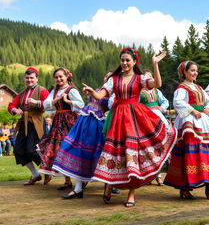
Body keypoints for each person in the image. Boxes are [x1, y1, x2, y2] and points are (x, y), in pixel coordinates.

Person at [83, 47, 177, 207]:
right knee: (115, 153)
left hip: (135, 118)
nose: (125, 63)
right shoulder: (113, 80)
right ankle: (110, 186)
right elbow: (100, 96)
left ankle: (131, 193)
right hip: (118, 119)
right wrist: (92, 92)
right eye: (122, 60)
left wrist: (155, 64)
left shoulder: (140, 78)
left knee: (132, 154)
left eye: (128, 60)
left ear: (134, 62)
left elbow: (157, 84)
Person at [164, 61, 209, 199]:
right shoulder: (181, 88)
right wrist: (192, 110)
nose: (195, 73)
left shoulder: (198, 87)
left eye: (196, 70)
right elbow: (178, 103)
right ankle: (185, 189)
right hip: (189, 123)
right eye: (192, 70)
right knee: (191, 155)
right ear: (185, 72)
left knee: (207, 153)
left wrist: (208, 109)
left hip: (201, 122)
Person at [53, 71, 112, 199]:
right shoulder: (98, 90)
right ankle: (78, 188)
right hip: (83, 120)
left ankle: (109, 185)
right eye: (106, 76)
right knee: (76, 149)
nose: (108, 78)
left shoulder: (113, 94)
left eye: (111, 77)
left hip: (97, 123)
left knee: (97, 153)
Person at [37, 67, 84, 186]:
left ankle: (81, 179)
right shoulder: (54, 91)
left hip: (70, 121)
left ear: (67, 76)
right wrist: (55, 100)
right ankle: (67, 181)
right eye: (56, 77)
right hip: (58, 122)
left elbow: (81, 104)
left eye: (61, 76)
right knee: (59, 149)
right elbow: (46, 105)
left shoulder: (71, 90)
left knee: (71, 148)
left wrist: (68, 102)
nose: (58, 79)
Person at [8, 67, 49, 185]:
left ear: (37, 78)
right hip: (24, 123)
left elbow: (48, 105)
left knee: (31, 150)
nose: (29, 80)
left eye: (32, 78)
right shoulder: (22, 93)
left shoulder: (42, 90)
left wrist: (37, 103)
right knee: (18, 151)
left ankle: (47, 170)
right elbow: (11, 105)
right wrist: (15, 110)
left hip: (37, 123)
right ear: (24, 79)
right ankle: (36, 175)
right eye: (27, 78)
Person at [140, 69, 170, 186]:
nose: (149, 79)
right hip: (145, 119)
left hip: (157, 118)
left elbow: (165, 101)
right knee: (147, 146)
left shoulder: (156, 91)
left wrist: (162, 108)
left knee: (160, 144)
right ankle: (149, 174)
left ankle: (159, 175)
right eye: (146, 77)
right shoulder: (139, 91)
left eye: (150, 77)